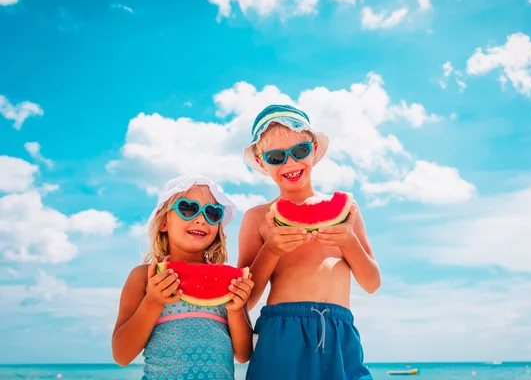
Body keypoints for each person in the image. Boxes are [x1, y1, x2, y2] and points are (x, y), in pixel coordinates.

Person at [237, 104, 381, 380]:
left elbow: (372, 283)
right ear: (260, 162)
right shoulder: (257, 218)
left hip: (339, 332)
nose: (290, 163)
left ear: (313, 150)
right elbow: (246, 298)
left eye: (300, 151)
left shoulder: (347, 210)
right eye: (276, 156)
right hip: (281, 331)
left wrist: (349, 242)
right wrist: (271, 249)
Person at [112, 175, 254, 380]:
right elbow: (121, 355)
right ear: (163, 222)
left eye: (212, 213)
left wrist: (235, 309)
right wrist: (153, 301)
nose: (201, 219)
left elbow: (243, 354)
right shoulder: (144, 277)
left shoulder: (228, 282)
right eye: (188, 208)